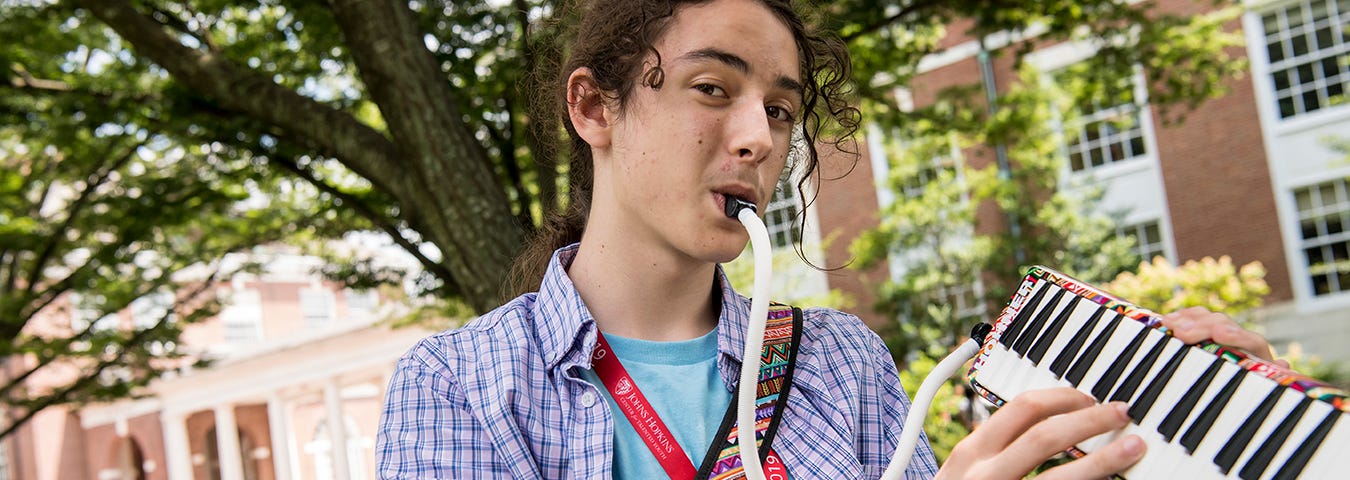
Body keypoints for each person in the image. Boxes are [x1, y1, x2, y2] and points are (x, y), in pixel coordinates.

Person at [374, 0, 1284, 478]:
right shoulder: (460, 387)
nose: (758, 137)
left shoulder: (843, 364)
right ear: (593, 106)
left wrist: (1150, 431)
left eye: (780, 108)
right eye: (710, 89)